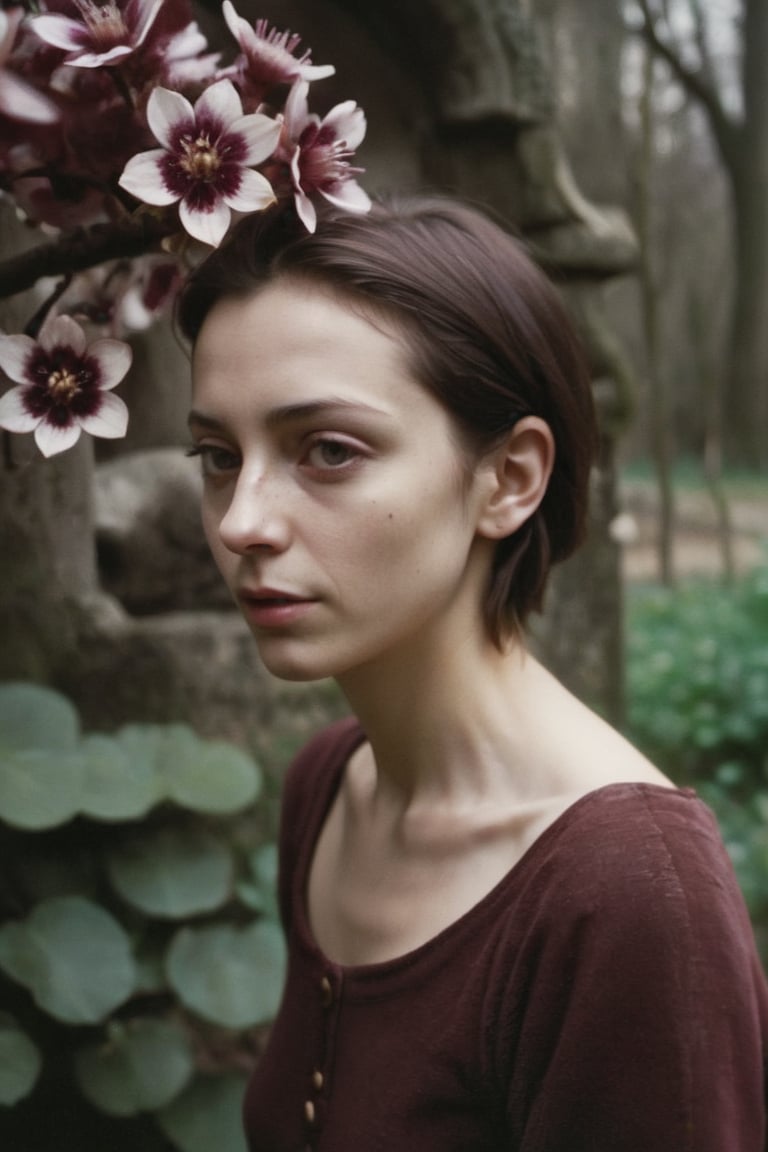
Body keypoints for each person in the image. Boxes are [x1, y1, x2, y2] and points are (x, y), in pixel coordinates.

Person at [178, 196, 768, 1152]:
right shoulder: (329, 790)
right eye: (216, 455)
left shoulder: (628, 900)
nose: (242, 520)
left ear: (510, 478)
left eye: (328, 451)